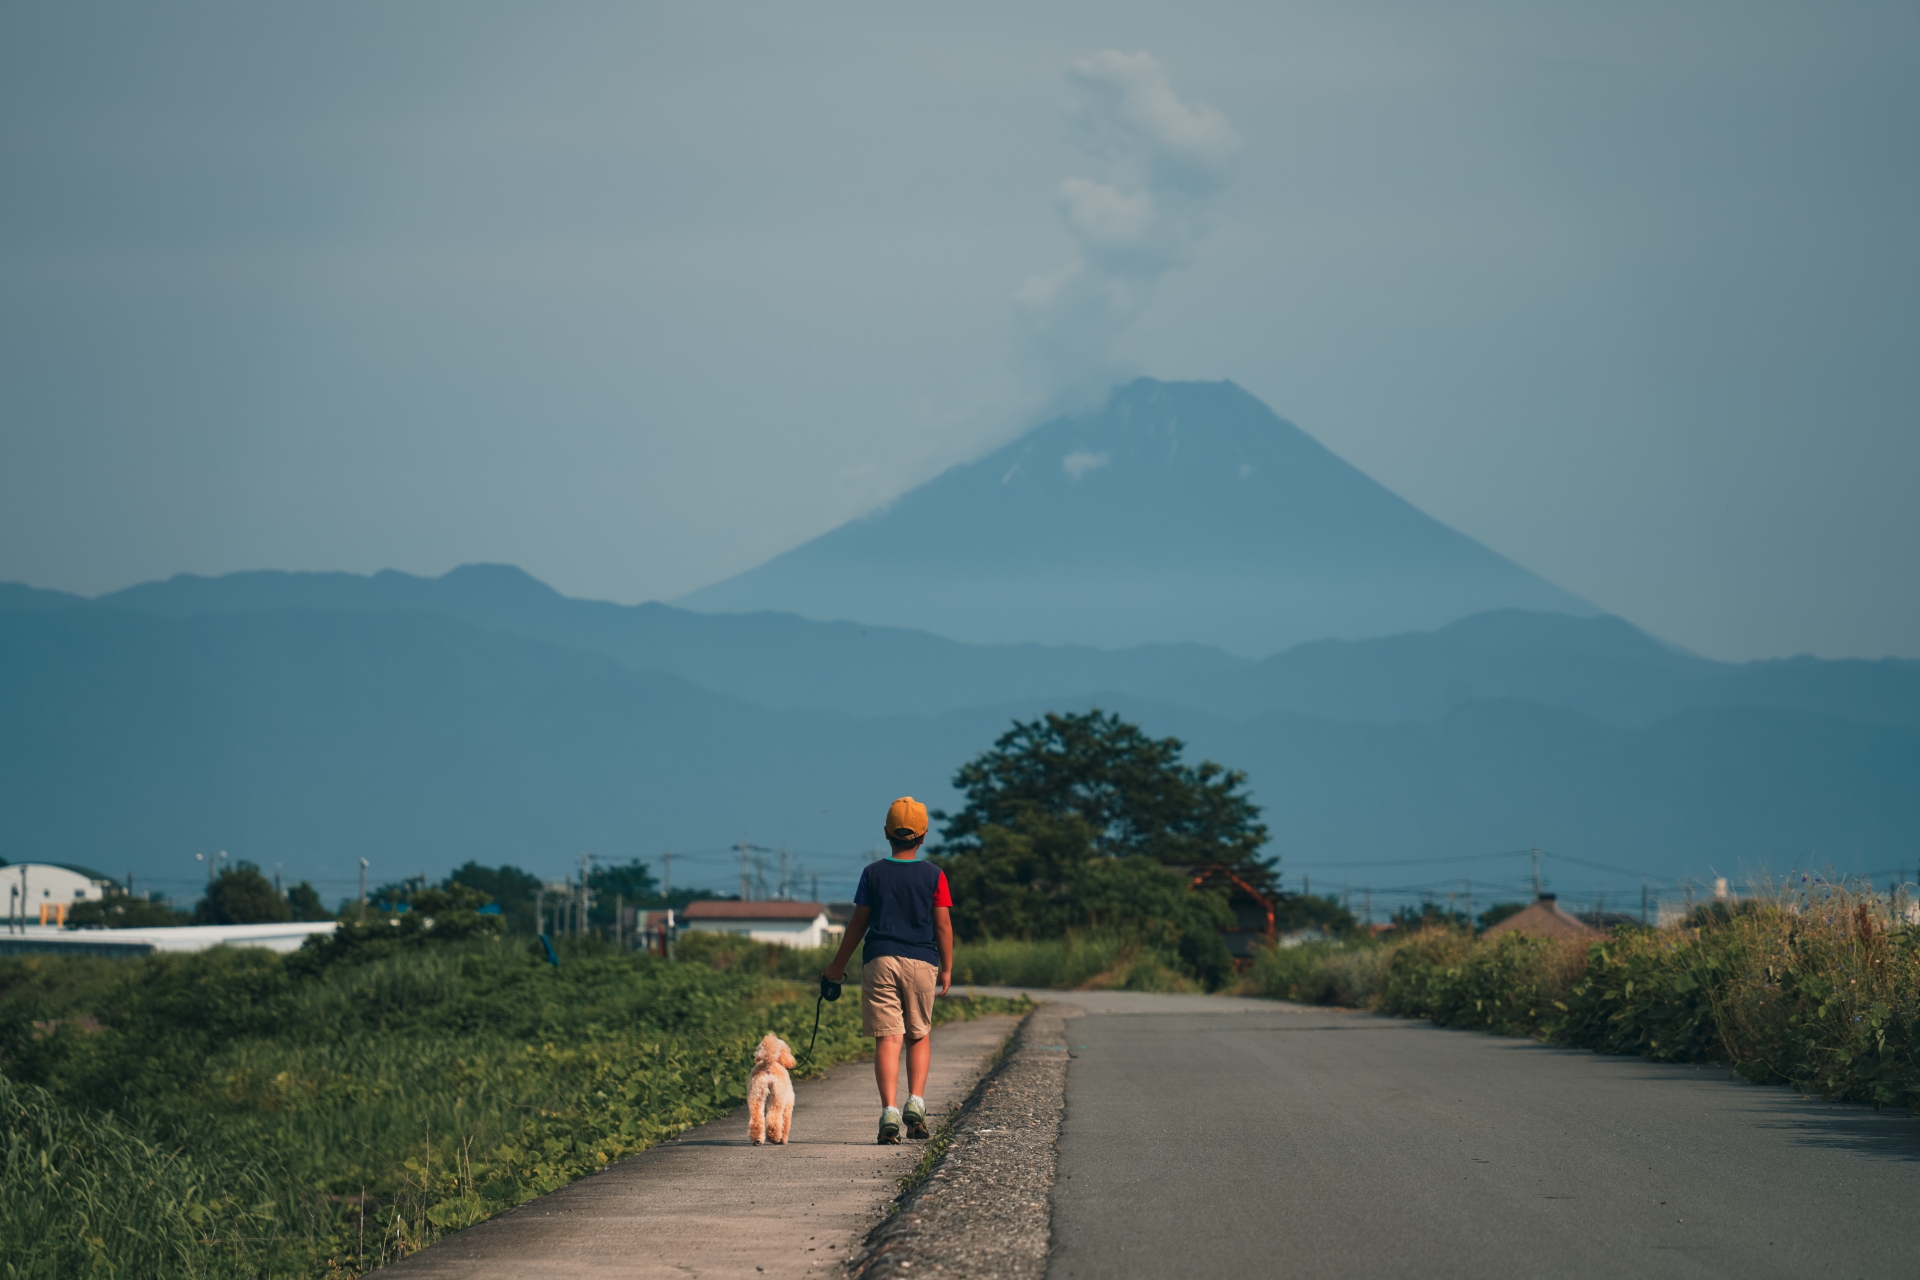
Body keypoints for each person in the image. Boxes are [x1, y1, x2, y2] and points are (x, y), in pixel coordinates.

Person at [822, 796, 954, 1143]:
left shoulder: (872, 874)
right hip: (923, 961)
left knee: (888, 1038)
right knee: (918, 1035)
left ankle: (889, 1113)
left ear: (886, 833)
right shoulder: (935, 875)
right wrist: (947, 968)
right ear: (924, 836)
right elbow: (942, 926)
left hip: (879, 960)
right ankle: (916, 1102)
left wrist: (837, 965)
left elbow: (857, 925)